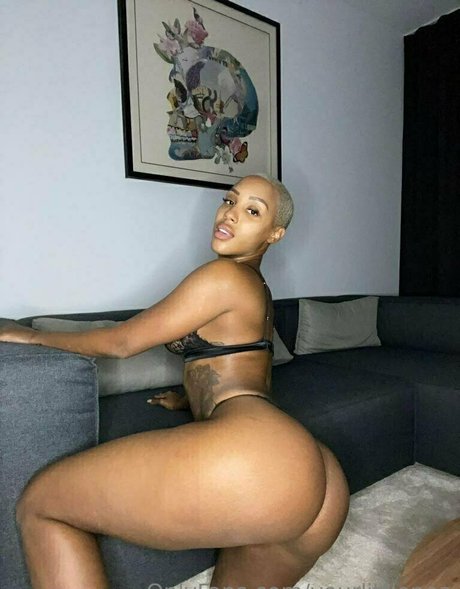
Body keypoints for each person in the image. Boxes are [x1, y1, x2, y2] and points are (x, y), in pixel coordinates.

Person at [0, 174, 350, 589]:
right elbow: (247, 373)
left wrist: (31, 336)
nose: (230, 215)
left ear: (274, 234)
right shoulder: (257, 287)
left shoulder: (224, 277)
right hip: (314, 471)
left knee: (42, 504)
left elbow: (122, 342)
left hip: (263, 461)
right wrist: (189, 397)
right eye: (230, 201)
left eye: (252, 211)